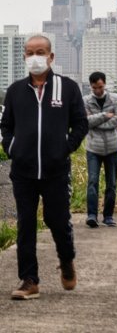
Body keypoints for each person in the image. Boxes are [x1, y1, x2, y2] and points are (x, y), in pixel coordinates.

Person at [0, 34, 88, 300]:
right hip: (23, 171)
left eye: (40, 52)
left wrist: (65, 148)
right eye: (29, 52)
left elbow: (81, 123)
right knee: (26, 224)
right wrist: (11, 147)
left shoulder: (68, 88)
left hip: (55, 171)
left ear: (51, 57)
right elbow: (6, 126)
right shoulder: (15, 90)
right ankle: (29, 280)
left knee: (58, 221)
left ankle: (67, 259)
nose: (34, 57)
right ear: (24, 57)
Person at [83, 71, 117, 228]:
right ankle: (92, 215)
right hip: (93, 148)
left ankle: (108, 216)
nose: (98, 91)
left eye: (100, 87)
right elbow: (85, 122)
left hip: (113, 148)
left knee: (111, 184)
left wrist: (96, 122)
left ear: (105, 84)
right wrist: (104, 115)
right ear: (91, 86)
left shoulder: (116, 99)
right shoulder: (85, 101)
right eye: (94, 88)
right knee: (92, 182)